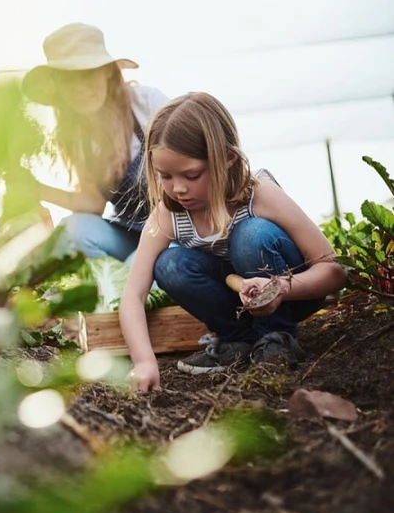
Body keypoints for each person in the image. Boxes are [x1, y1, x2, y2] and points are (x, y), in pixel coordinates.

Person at [118, 92, 347, 392]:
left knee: (250, 235)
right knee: (170, 264)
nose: (178, 188)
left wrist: (279, 288)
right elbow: (132, 296)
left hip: (292, 296)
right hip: (239, 303)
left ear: (228, 158)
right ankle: (239, 340)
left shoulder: (259, 195)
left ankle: (276, 338)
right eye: (165, 176)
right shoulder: (167, 217)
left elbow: (334, 271)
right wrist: (144, 362)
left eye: (191, 175)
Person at [21, 23, 169, 260]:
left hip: (174, 235)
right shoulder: (78, 137)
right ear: (57, 85)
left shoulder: (148, 104)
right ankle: (115, 278)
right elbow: (93, 203)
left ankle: (130, 280)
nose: (79, 88)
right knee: (72, 230)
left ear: (107, 73)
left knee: (136, 267)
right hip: (129, 235)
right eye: (68, 78)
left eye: (86, 74)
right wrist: (37, 189)